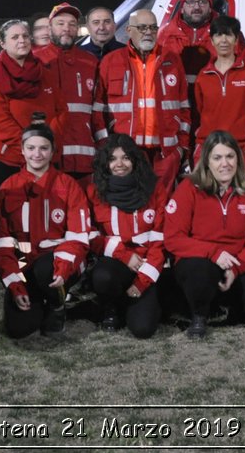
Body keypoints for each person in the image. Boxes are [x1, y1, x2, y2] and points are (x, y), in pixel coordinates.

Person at [166, 131, 245, 339]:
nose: (224, 163)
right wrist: (213, 252)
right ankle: (199, 315)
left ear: (238, 159)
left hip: (237, 262)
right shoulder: (189, 188)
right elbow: (174, 238)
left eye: (230, 156)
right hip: (199, 261)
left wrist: (237, 266)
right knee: (201, 272)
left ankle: (226, 306)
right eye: (217, 158)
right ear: (207, 161)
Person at [0, 123, 92, 338]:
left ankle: (57, 306)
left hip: (59, 265)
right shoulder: (8, 188)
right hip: (25, 264)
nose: (37, 154)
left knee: (46, 269)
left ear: (53, 151)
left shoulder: (68, 185)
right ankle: (39, 300)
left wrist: (63, 268)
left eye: (44, 148)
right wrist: (15, 284)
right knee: (18, 329)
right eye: (31, 148)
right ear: (23, 150)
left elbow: (79, 237)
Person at [99, 10, 192, 190]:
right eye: (142, 28)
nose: (148, 32)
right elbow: (98, 110)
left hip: (164, 153)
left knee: (162, 208)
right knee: (132, 207)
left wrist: (181, 149)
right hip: (125, 154)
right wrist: (107, 148)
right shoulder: (111, 62)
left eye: (152, 27)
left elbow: (184, 108)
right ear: (128, 30)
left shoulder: (172, 60)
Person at [86, 134, 166, 338]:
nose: (119, 164)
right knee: (103, 276)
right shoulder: (94, 191)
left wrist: (142, 282)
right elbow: (91, 234)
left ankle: (132, 302)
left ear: (135, 160)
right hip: (116, 261)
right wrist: (123, 255)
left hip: (148, 264)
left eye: (125, 158)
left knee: (143, 329)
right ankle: (110, 307)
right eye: (113, 159)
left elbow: (161, 239)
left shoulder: (155, 189)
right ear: (106, 163)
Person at [0, 19, 62, 196]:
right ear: (2, 44)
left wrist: (45, 144)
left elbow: (61, 110)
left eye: (25, 36)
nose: (22, 40)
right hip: (8, 160)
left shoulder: (45, 73)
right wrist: (30, 149)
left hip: (44, 157)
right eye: (15, 37)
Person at [39, 2, 107, 185]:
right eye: (60, 23)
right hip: (46, 157)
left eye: (72, 24)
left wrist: (104, 145)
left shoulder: (90, 62)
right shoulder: (35, 61)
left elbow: (97, 109)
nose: (66, 29)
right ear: (50, 27)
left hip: (85, 158)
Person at [195, 16, 245, 152]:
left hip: (243, 145)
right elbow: (200, 108)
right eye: (218, 35)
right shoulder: (203, 75)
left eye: (228, 35)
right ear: (212, 40)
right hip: (210, 144)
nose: (223, 40)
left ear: (236, 40)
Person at [157, 0, 218, 83]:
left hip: (212, 93)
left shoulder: (225, 33)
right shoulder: (165, 34)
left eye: (202, 2)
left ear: (210, 8)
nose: (197, 7)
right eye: (191, 2)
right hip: (175, 92)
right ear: (182, 8)